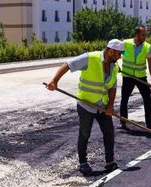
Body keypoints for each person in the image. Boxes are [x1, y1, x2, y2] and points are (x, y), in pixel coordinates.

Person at [46, 39, 125, 176]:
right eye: (119, 54)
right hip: (86, 105)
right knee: (84, 134)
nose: (120, 57)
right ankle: (83, 163)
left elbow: (112, 87)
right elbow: (68, 65)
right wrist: (54, 81)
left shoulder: (114, 66)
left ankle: (110, 162)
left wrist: (110, 106)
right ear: (111, 51)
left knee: (109, 133)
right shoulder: (90, 58)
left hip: (103, 106)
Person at [119, 25, 151, 133]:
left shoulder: (147, 47)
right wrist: (124, 56)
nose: (145, 36)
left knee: (147, 100)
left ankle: (150, 125)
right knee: (124, 99)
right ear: (136, 34)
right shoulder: (125, 43)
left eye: (145, 34)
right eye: (143, 34)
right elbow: (118, 54)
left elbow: (150, 64)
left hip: (141, 77)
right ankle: (123, 122)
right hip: (128, 77)